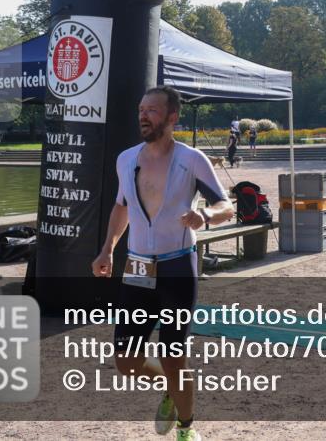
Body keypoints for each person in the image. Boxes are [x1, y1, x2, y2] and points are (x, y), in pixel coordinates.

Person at [92, 86, 234, 441]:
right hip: (138, 268)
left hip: (177, 267)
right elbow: (122, 207)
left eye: (152, 110)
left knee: (174, 357)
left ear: (172, 117)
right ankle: (172, 387)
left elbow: (226, 207)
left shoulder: (191, 159)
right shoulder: (126, 159)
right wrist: (108, 248)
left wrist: (205, 215)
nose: (143, 115)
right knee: (126, 362)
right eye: (141, 109)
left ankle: (186, 429)